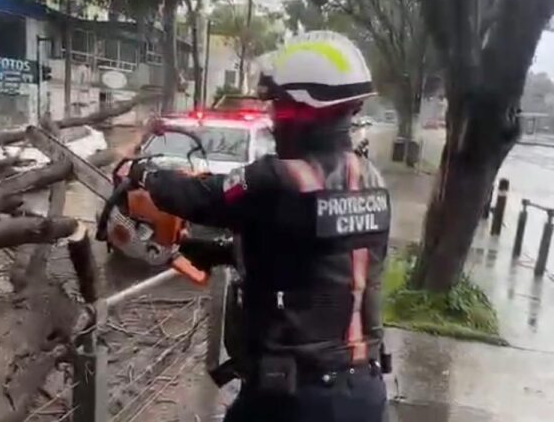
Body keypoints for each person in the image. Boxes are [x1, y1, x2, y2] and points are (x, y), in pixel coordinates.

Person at [129, 31, 391, 422]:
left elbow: (202, 197)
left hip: (294, 399)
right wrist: (229, 250)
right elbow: (318, 254)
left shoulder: (279, 178)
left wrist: (143, 173)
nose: (273, 119)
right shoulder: (371, 178)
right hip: (365, 392)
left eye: (279, 107)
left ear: (306, 109)